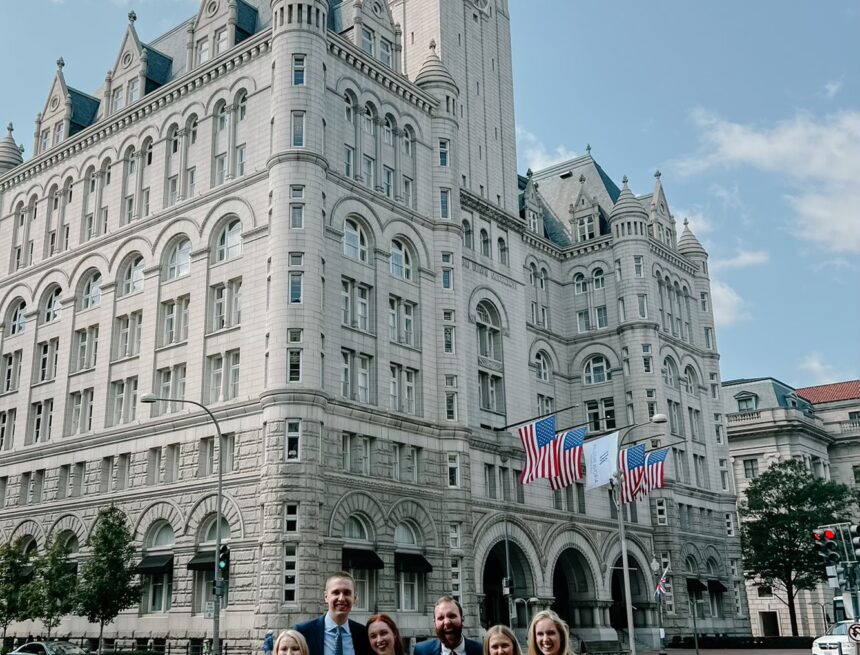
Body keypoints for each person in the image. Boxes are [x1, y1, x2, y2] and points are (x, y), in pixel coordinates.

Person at [295, 571, 373, 655]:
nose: (341, 598)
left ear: (355, 598)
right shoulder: (303, 632)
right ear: (326, 597)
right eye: (336, 592)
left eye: (347, 593)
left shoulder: (364, 634)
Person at [415, 596, 482, 655]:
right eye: (441, 618)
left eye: (452, 616)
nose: (447, 622)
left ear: (462, 620)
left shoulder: (481, 651)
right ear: (434, 623)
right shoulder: (421, 651)